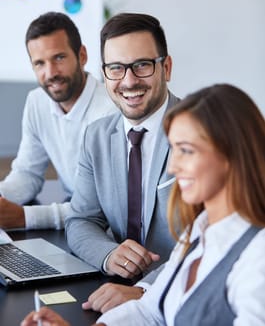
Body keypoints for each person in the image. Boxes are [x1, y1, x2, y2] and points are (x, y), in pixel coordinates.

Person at [21, 83, 265, 326]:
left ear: (232, 155)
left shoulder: (257, 257)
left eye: (186, 151)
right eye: (174, 149)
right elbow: (149, 312)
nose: (173, 167)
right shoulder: (198, 232)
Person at [64, 12, 179, 308]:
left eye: (141, 65)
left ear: (165, 67)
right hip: (115, 291)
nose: (129, 81)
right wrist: (109, 254)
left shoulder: (203, 132)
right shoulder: (97, 137)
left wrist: (146, 291)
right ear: (104, 74)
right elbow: (81, 220)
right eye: (116, 68)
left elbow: (216, 241)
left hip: (180, 296)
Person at [0, 11, 116, 230]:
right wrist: (2, 196)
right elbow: (28, 173)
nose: (50, 72)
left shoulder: (110, 112)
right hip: (72, 219)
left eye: (59, 58)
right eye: (40, 63)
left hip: (107, 232)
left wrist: (26, 217)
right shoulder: (37, 101)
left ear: (82, 56)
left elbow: (104, 207)